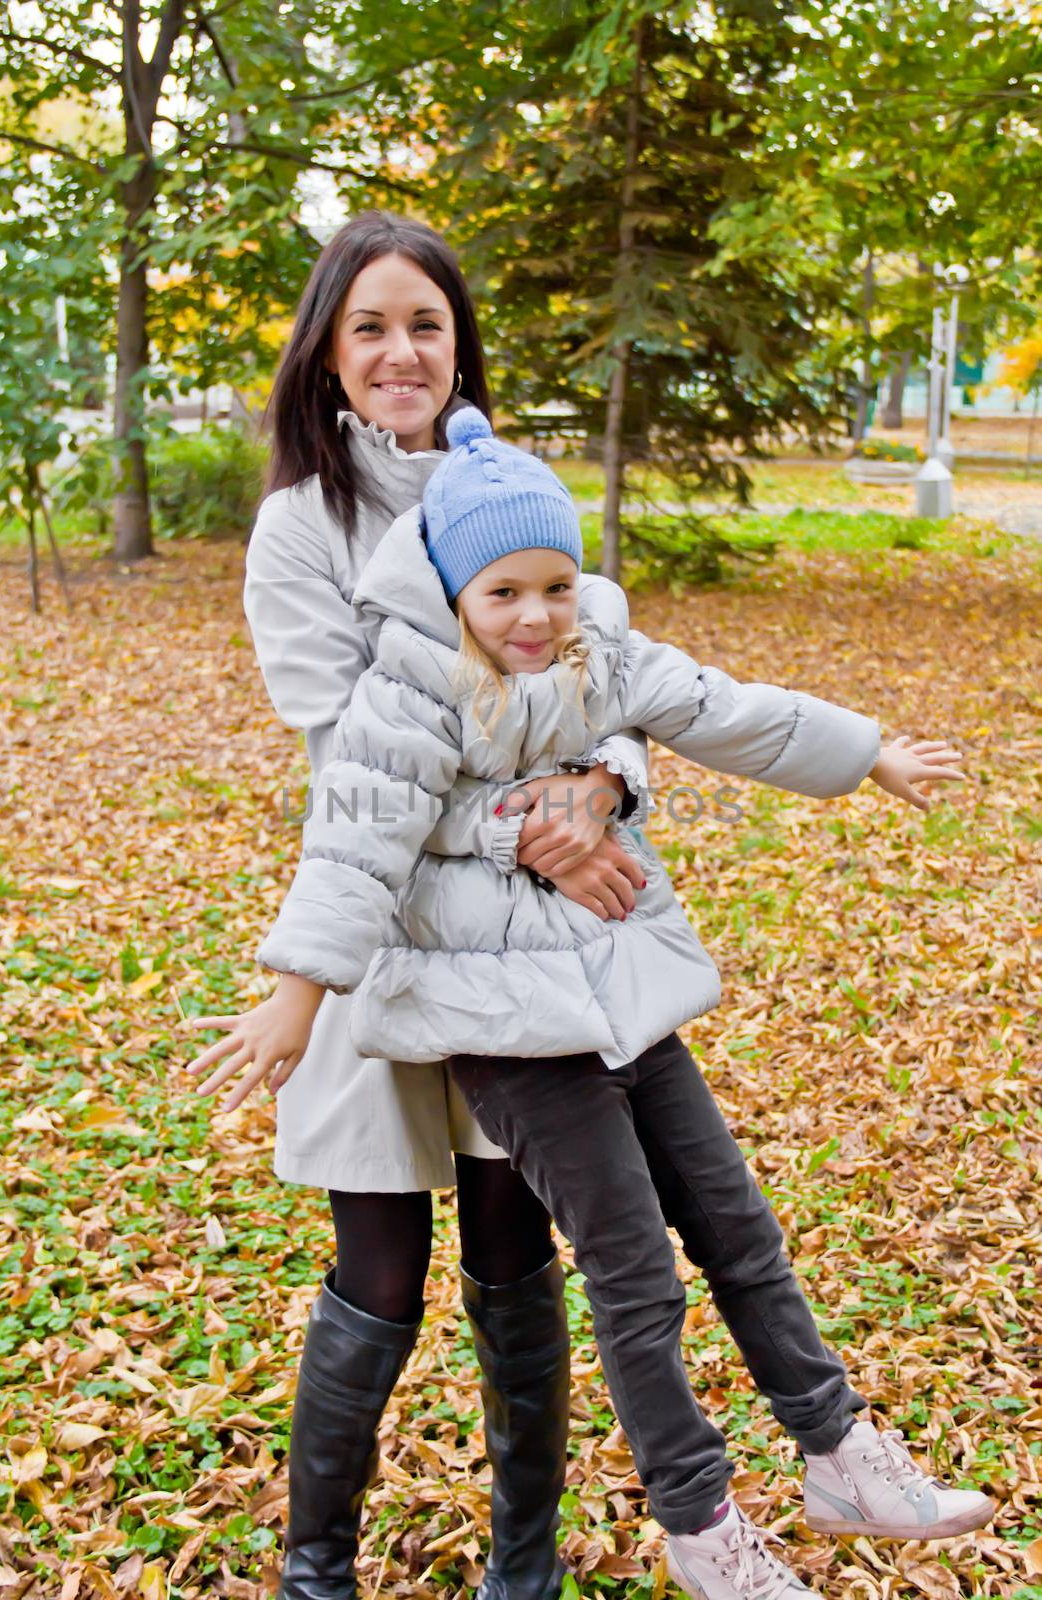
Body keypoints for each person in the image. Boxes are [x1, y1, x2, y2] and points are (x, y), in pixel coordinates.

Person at [190, 408, 995, 1600]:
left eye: (557, 586)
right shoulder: (406, 691)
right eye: (504, 590)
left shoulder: (593, 661)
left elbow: (730, 707)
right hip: (507, 1036)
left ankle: (837, 1452)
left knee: (736, 1225)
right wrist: (294, 995)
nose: (533, 616)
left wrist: (864, 750)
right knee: (630, 1264)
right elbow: (353, 847)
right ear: (457, 590)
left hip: (620, 990)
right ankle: (698, 1521)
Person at [186, 212, 651, 1600]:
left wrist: (606, 797)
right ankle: (314, 1570)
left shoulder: (514, 487)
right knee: (378, 1266)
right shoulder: (300, 526)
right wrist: (539, 828)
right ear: (328, 353)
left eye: (426, 324)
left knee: (516, 1248)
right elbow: (352, 753)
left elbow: (615, 685)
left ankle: (525, 1571)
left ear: (459, 345)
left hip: (515, 958)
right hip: (380, 938)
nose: (401, 352)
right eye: (370, 326)